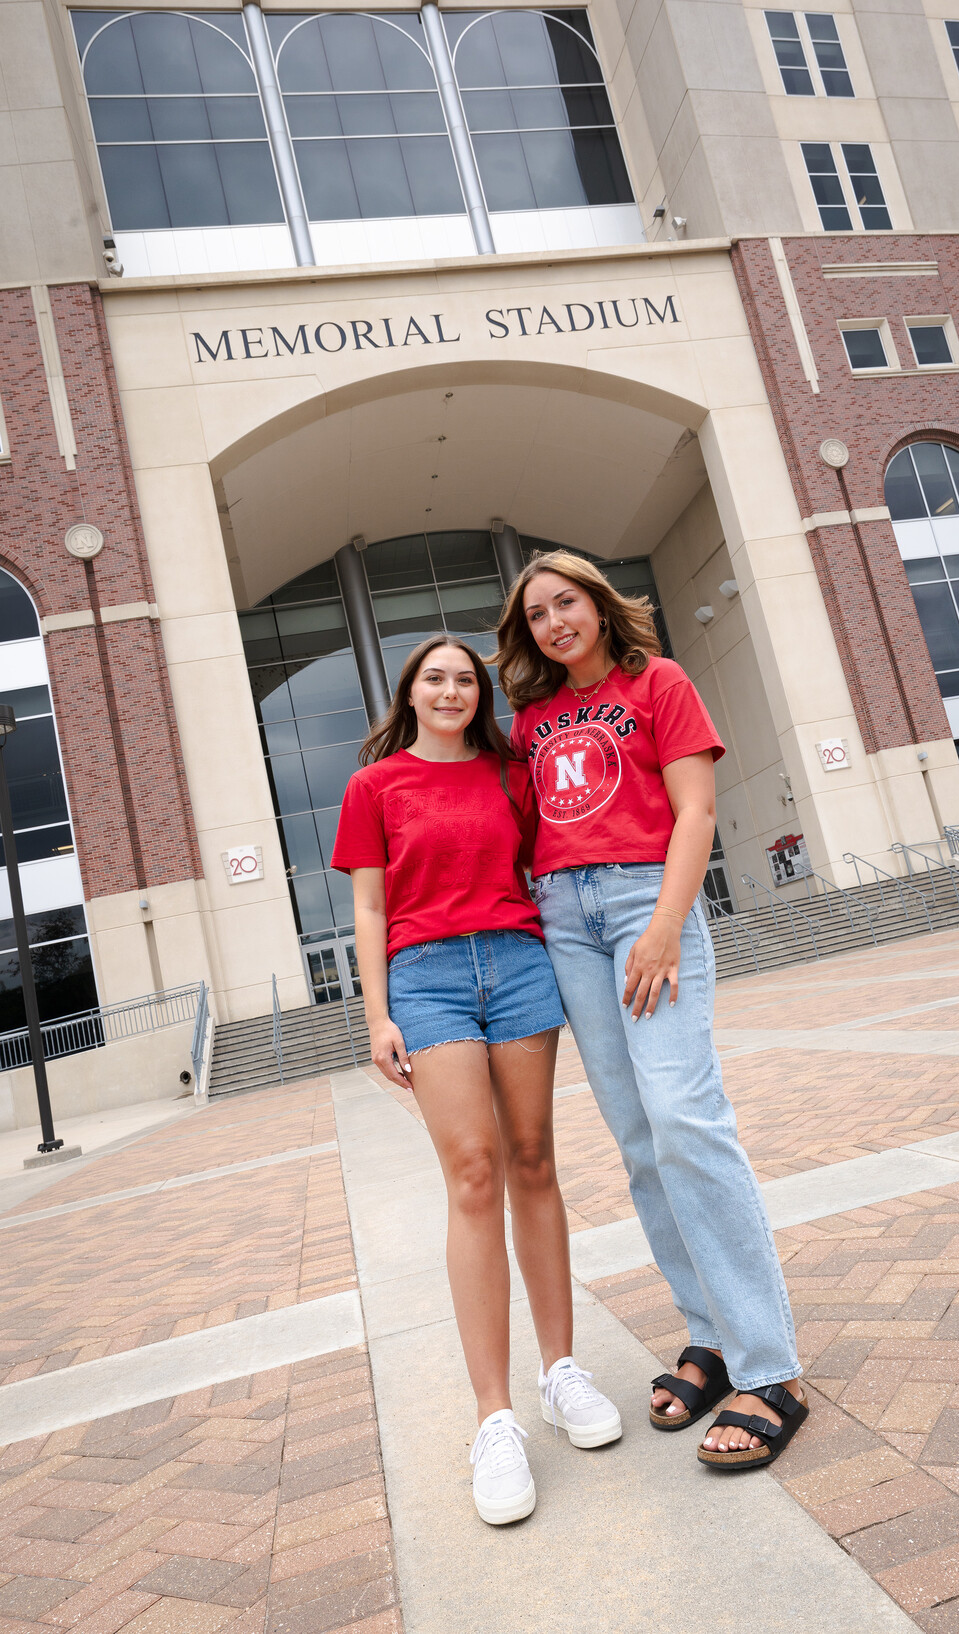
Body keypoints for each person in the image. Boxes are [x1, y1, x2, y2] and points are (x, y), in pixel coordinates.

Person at [496, 553, 807, 1472]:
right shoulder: (530, 723)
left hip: (643, 902)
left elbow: (696, 810)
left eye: (567, 602)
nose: (556, 622)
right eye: (537, 614)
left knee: (685, 1120)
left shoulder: (656, 682)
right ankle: (708, 1338)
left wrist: (668, 925)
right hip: (564, 916)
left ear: (597, 604)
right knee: (638, 1139)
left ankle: (772, 1368)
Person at [332, 634, 621, 1526]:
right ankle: (493, 1418)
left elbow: (551, 859)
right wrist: (377, 1015)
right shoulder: (374, 785)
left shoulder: (510, 770)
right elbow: (370, 906)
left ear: (478, 693)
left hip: (521, 964)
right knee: (473, 1172)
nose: (453, 690)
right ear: (410, 693)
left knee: (533, 1158)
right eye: (436, 679)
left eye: (466, 679)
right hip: (426, 978)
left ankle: (559, 1371)